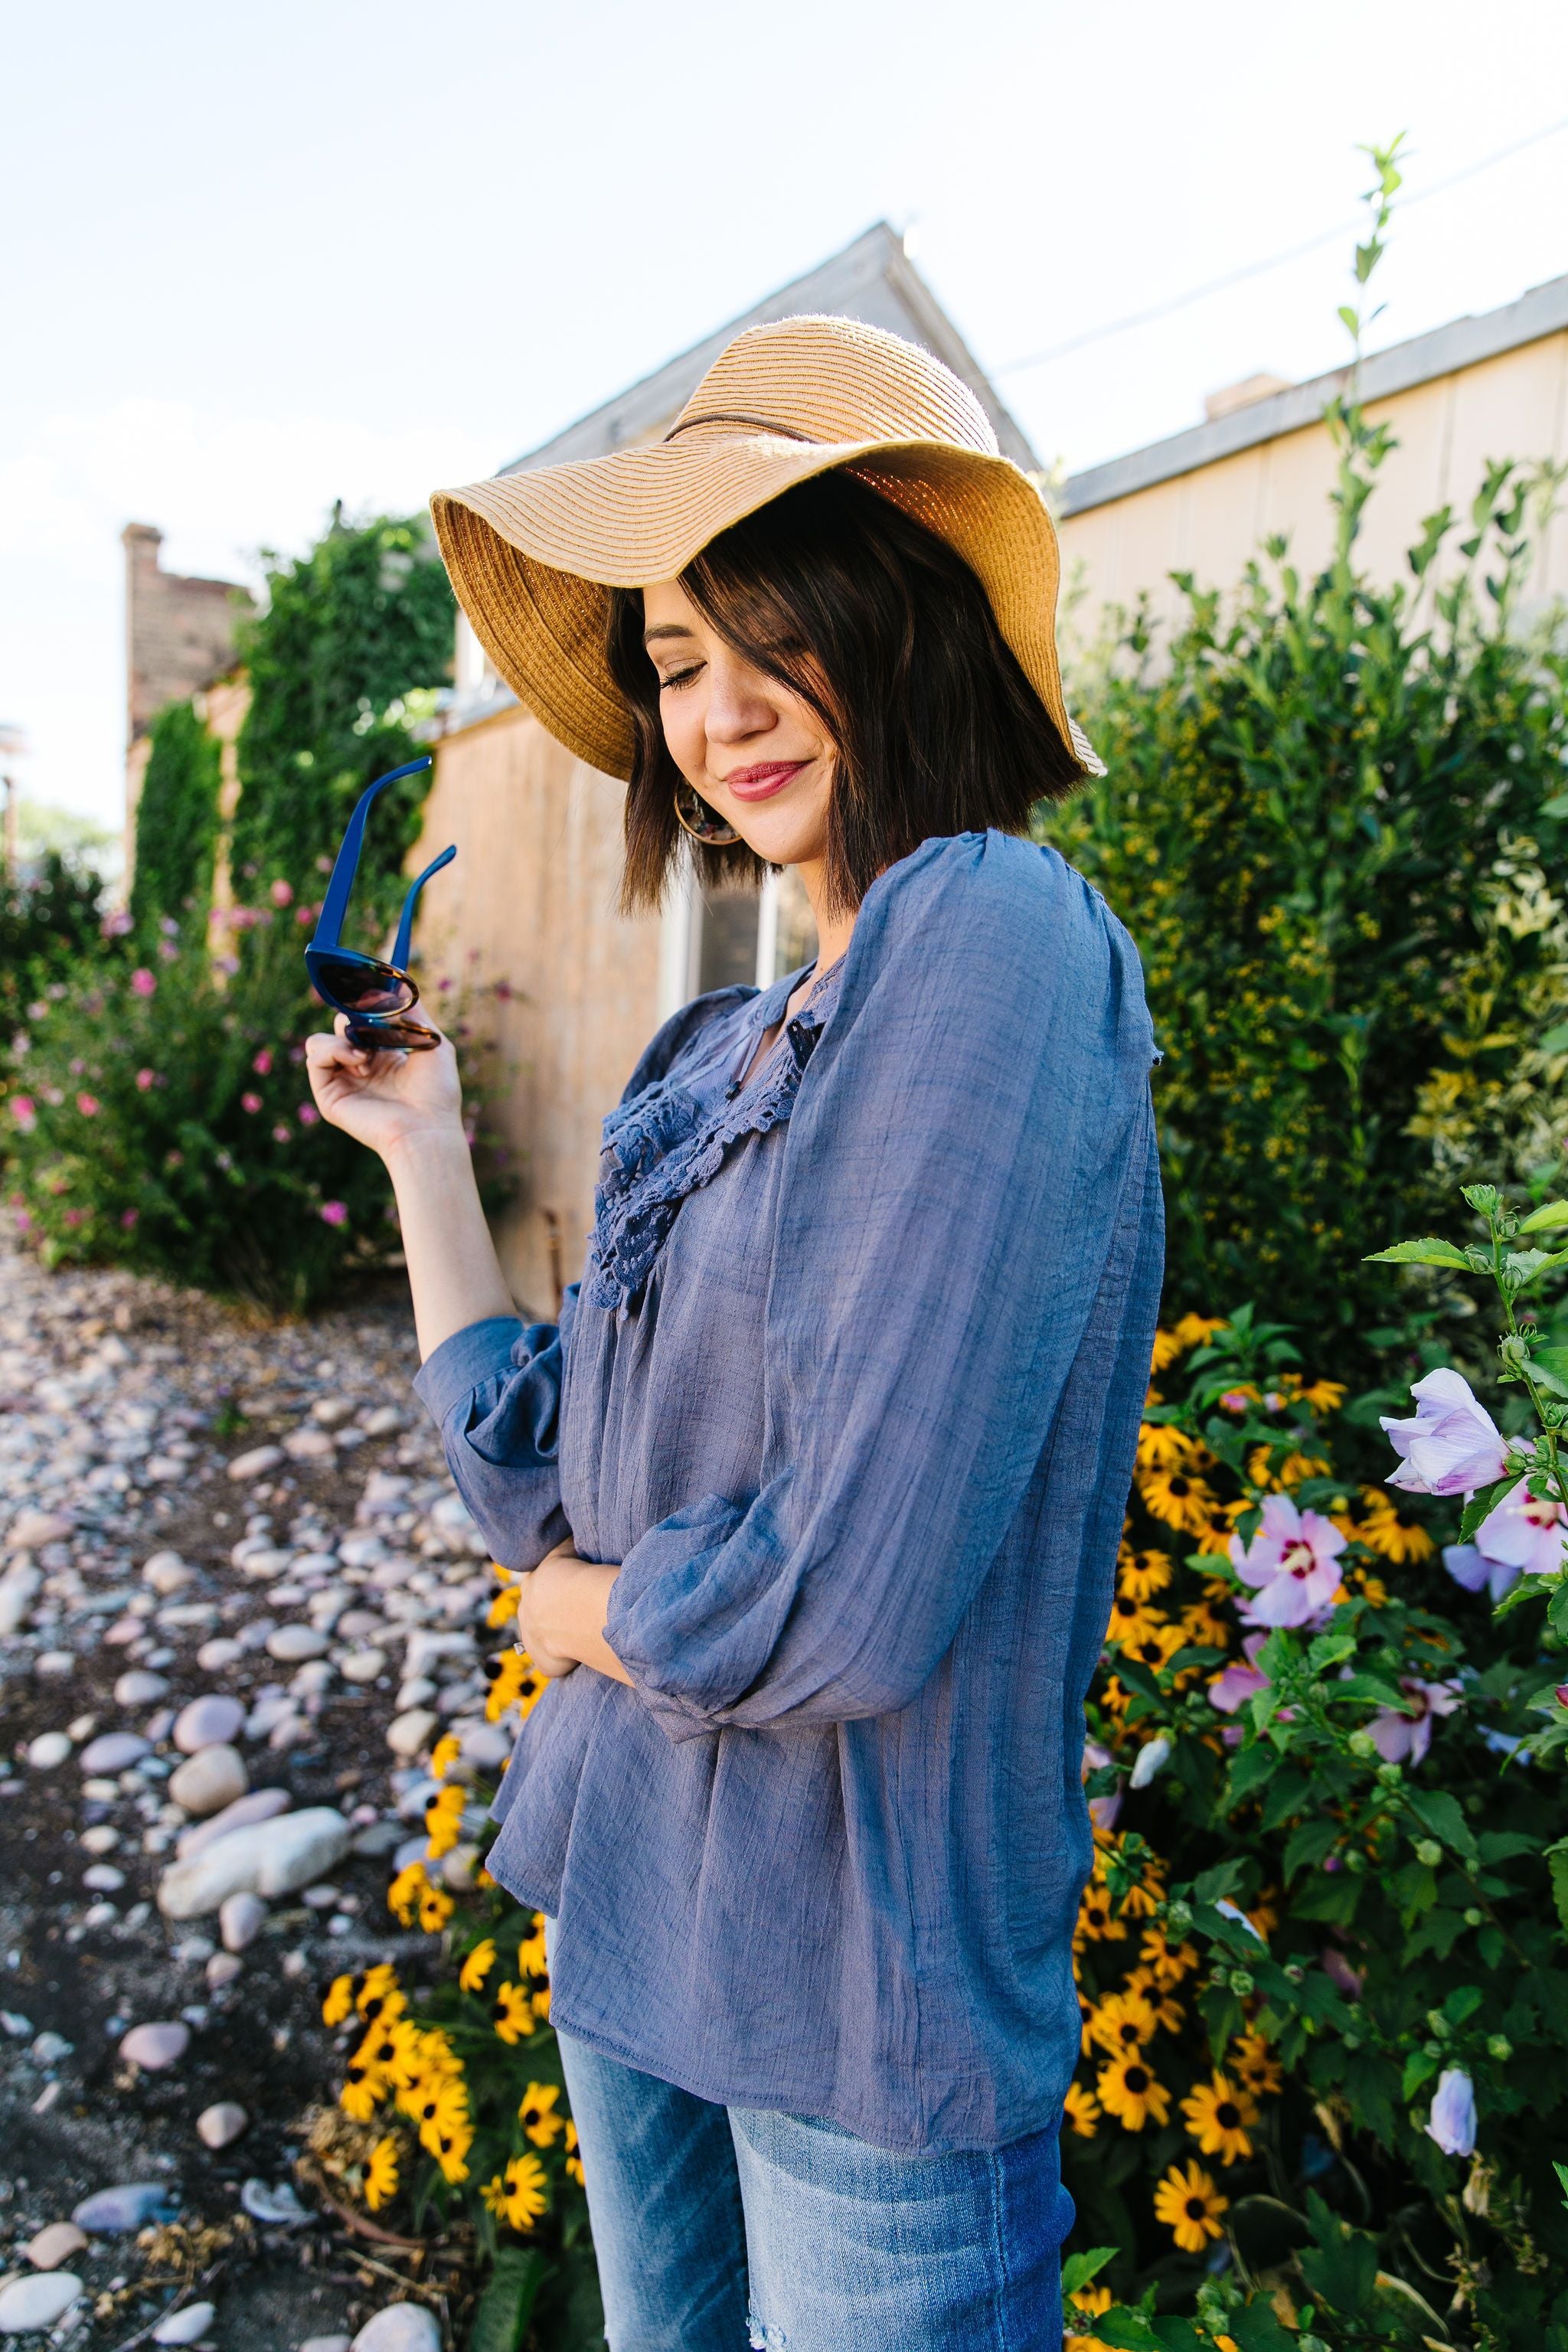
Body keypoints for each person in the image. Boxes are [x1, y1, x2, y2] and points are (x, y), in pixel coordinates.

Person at [307, 315, 1163, 2352]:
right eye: (676, 660)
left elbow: (845, 1600)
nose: (722, 710)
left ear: (913, 622)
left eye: (770, 631)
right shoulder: (713, 1045)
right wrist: (425, 1158)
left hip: (853, 2005)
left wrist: (583, 1622)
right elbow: (541, 1475)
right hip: (631, 1915)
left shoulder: (996, 936)